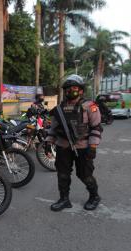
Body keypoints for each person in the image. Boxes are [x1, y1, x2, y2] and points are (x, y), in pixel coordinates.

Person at [44, 75, 103, 212]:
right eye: (68, 88)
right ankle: (64, 199)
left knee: (85, 174)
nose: (70, 90)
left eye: (74, 88)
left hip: (83, 147)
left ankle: (94, 196)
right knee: (62, 174)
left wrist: (93, 147)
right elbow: (53, 128)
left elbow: (96, 128)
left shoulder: (90, 106)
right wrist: (48, 142)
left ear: (81, 90)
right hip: (63, 147)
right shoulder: (59, 109)